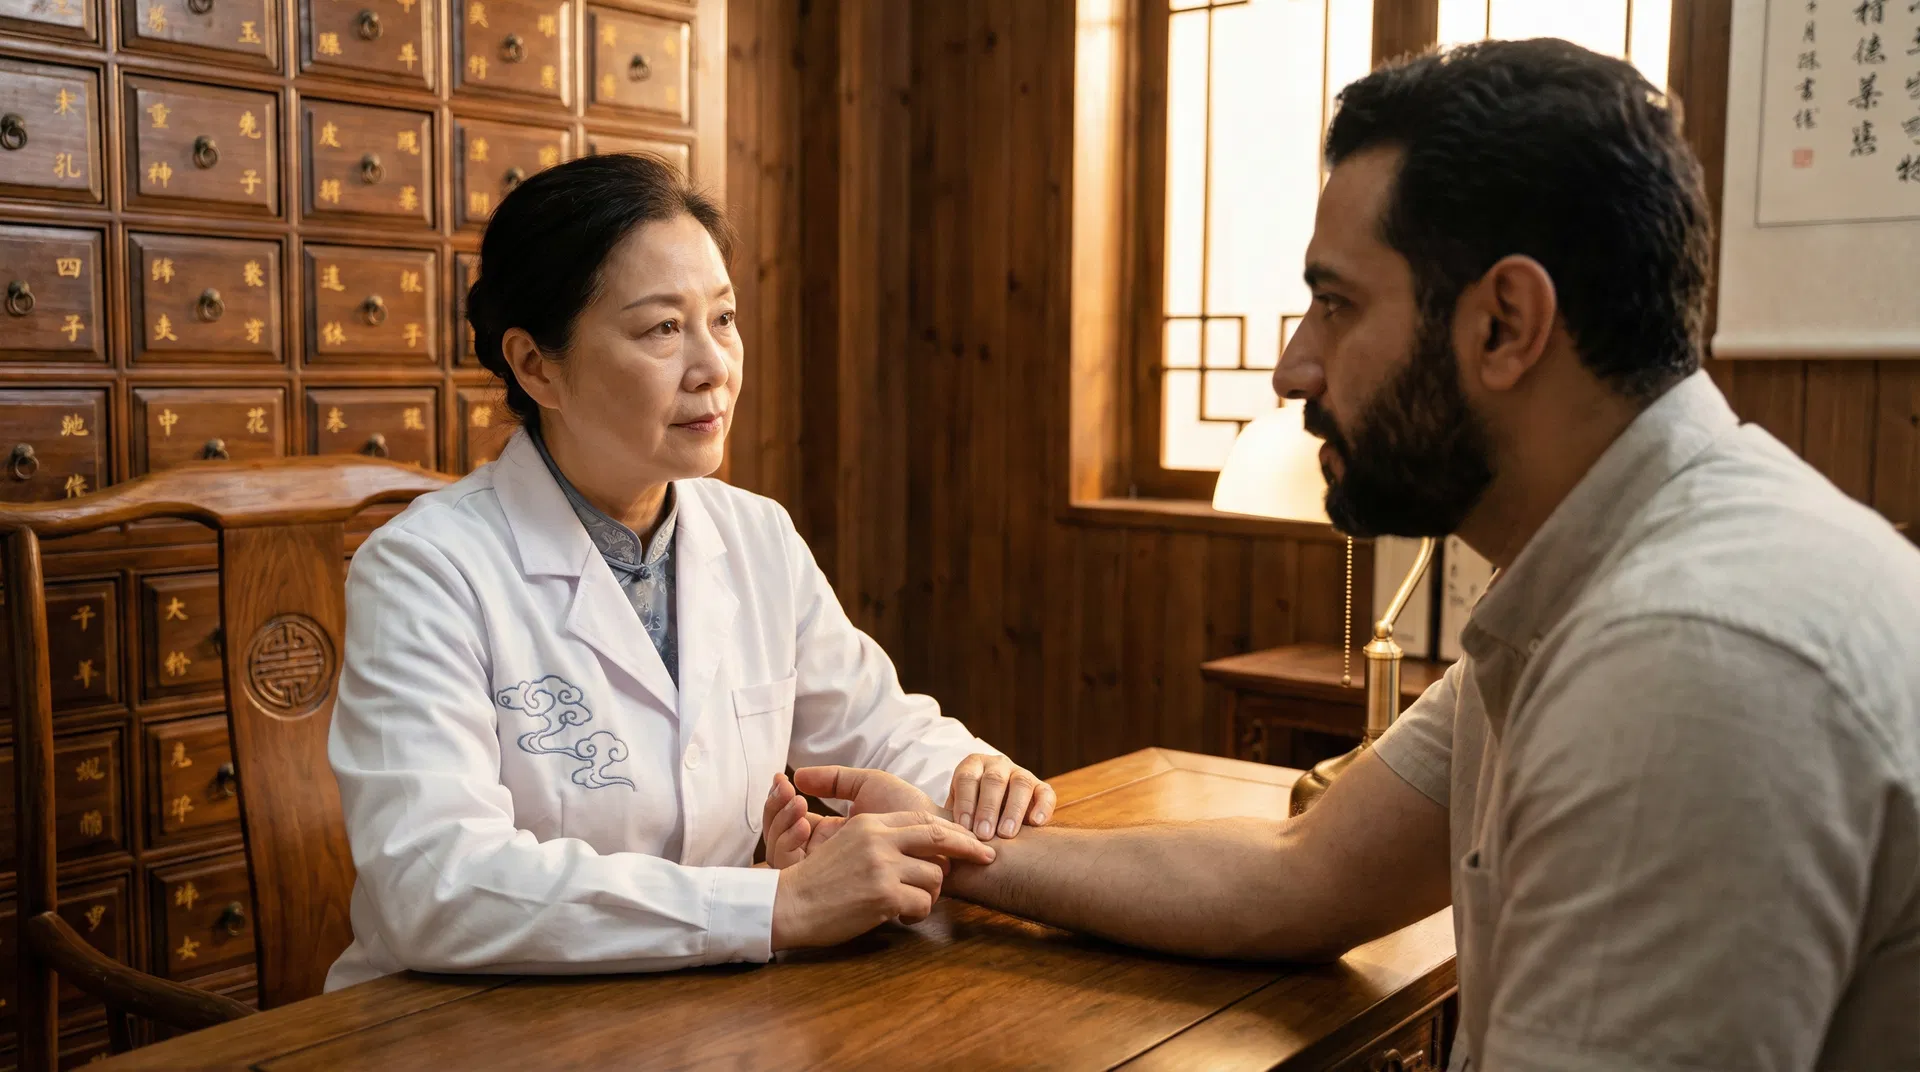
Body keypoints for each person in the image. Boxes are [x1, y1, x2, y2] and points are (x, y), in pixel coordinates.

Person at [766, 40, 1920, 1070]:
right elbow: (1301, 873)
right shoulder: (1611, 576)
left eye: (1335, 306)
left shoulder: (1692, 657)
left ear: (1505, 324)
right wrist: (942, 848)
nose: (1293, 370)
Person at [325, 154, 1048, 990]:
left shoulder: (755, 536)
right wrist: (777, 908)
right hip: (454, 1026)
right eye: (662, 329)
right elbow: (436, 885)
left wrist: (973, 779)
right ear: (536, 366)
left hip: (697, 1010)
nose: (715, 367)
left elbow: (879, 728)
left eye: (725, 319)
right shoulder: (427, 569)